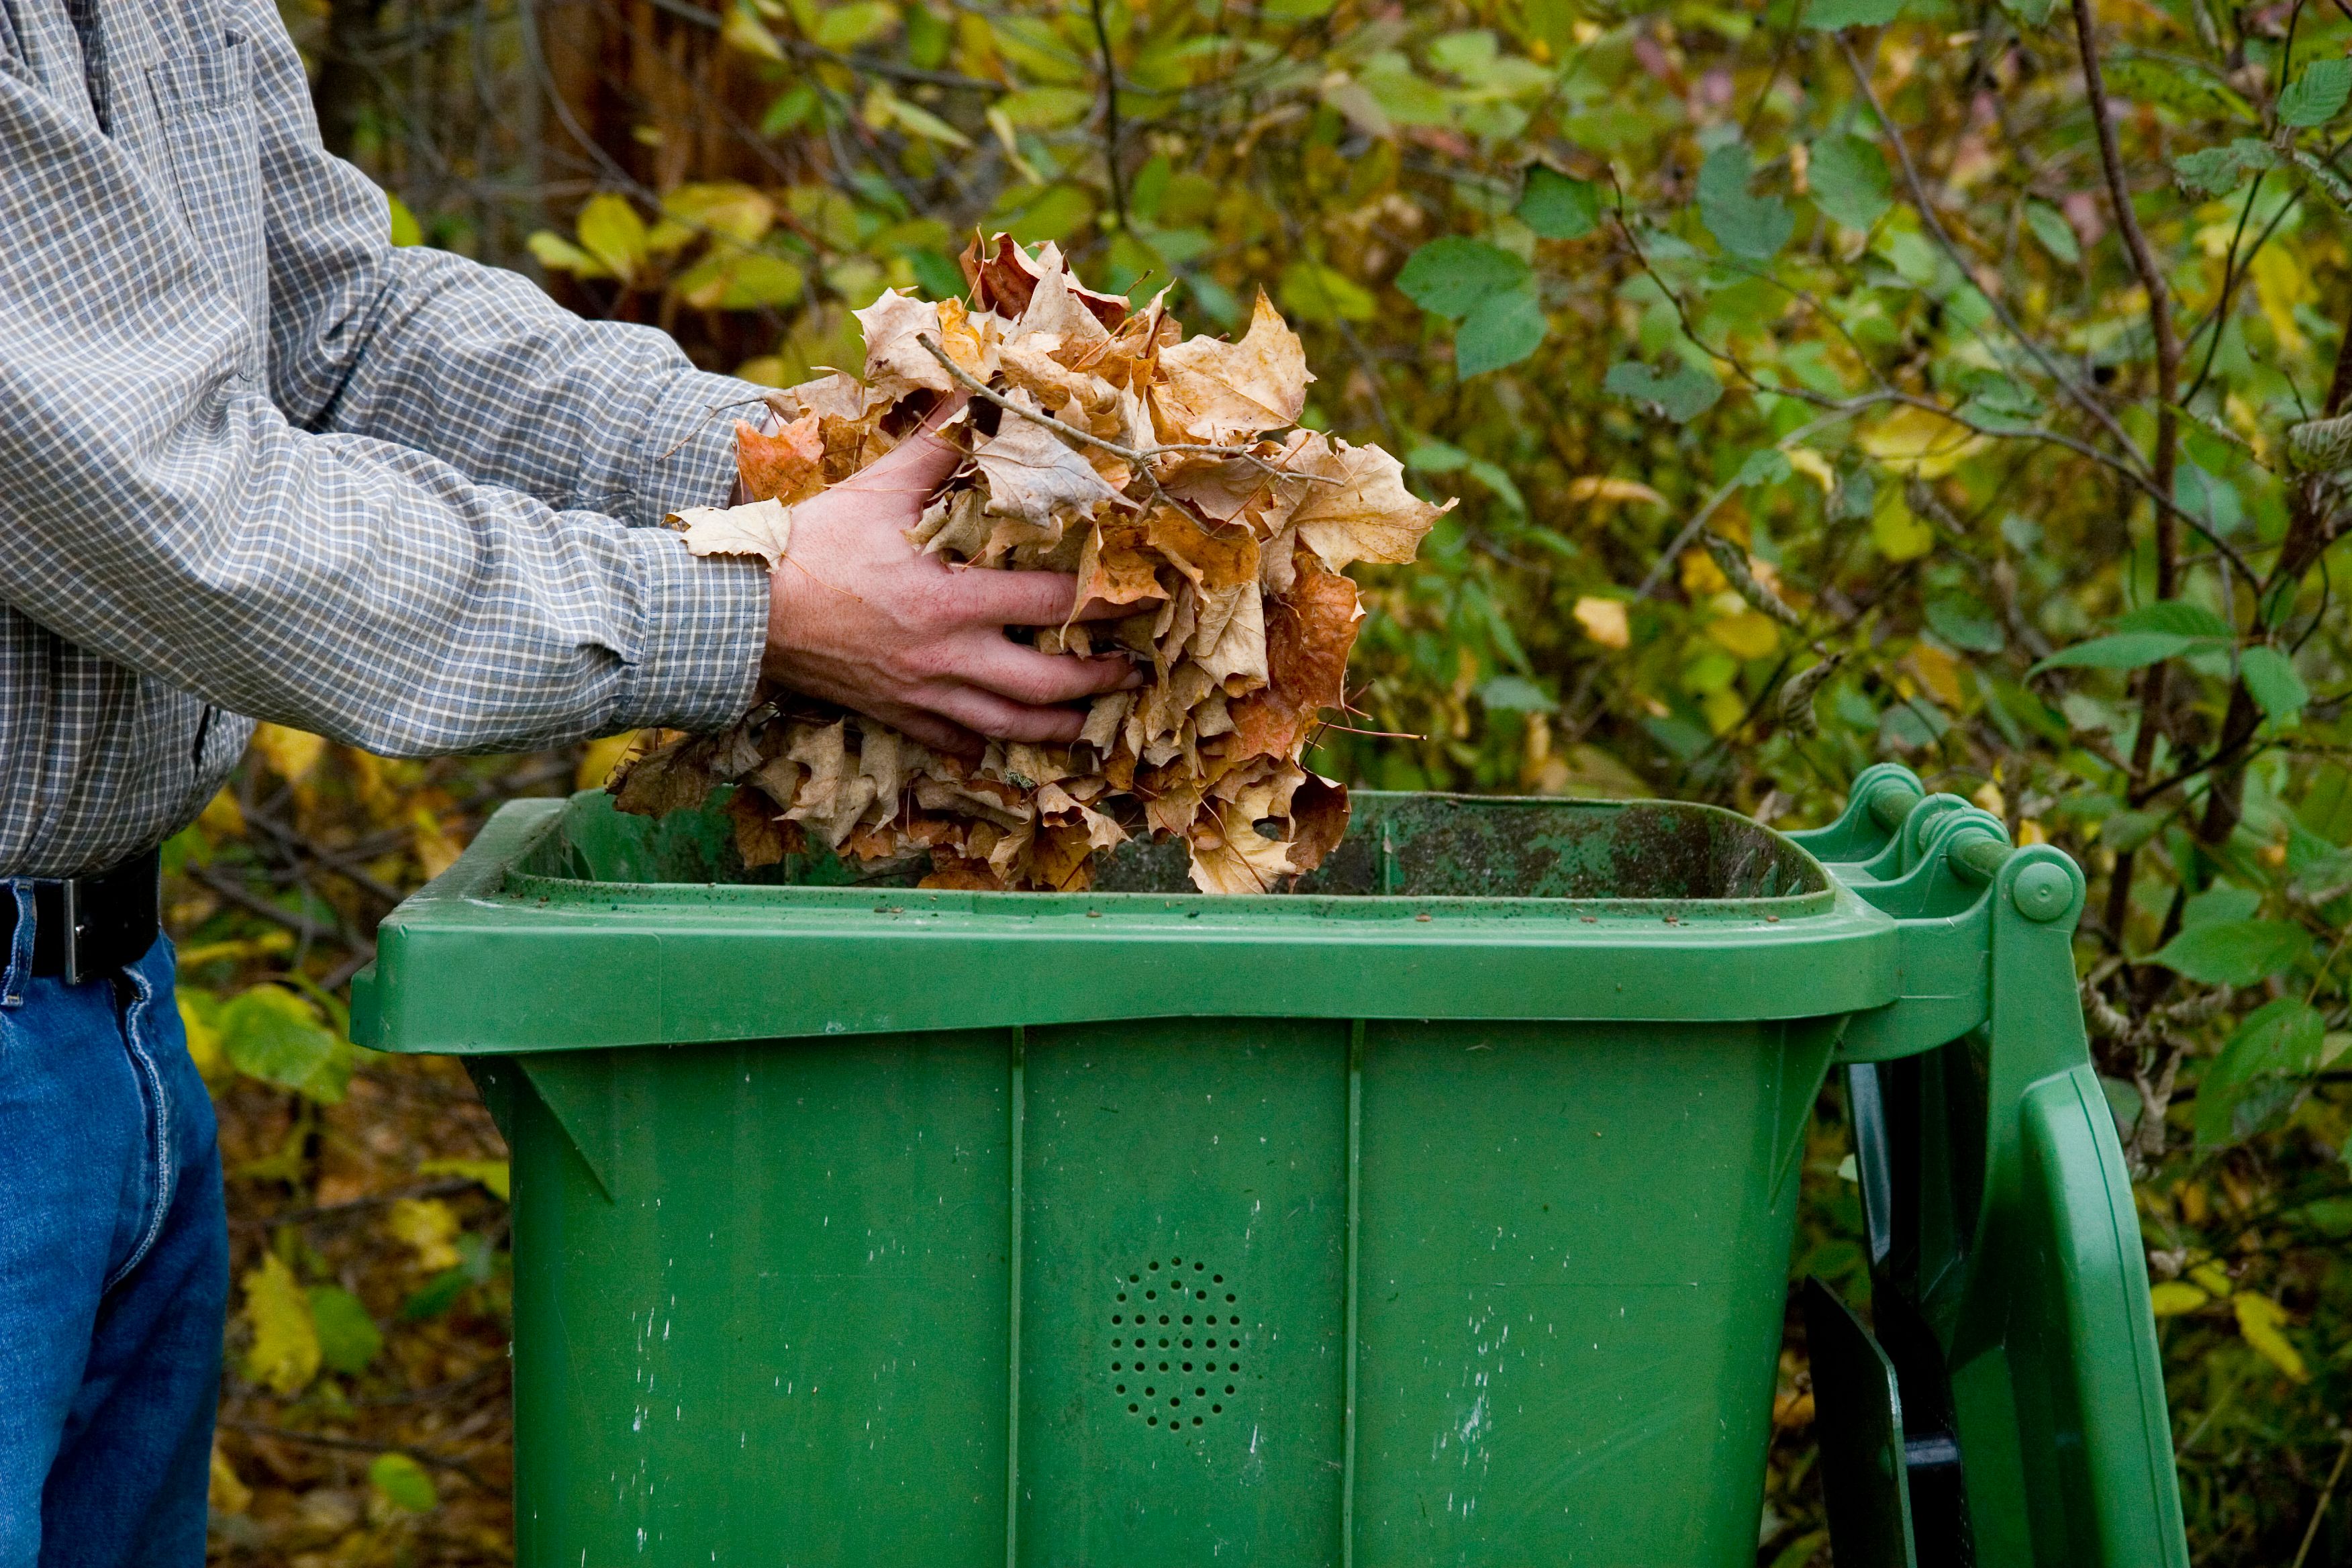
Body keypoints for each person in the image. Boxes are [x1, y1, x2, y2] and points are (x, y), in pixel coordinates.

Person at [0, 0, 1136, 1556]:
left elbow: (335, 342)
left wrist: (798, 465)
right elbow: (189, 507)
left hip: (109, 1014)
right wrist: (760, 605)